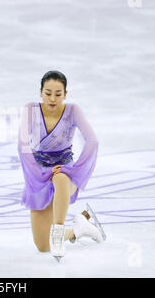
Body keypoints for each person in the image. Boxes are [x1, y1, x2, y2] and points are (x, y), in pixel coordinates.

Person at [17, 70, 104, 261]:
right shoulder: (31, 110)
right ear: (40, 92)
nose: (52, 98)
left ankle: (58, 232)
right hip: (38, 171)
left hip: (64, 168)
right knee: (42, 246)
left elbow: (92, 141)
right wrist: (36, 175)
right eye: (48, 93)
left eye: (58, 94)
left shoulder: (73, 111)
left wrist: (73, 170)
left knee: (61, 178)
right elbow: (23, 146)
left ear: (65, 94)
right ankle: (78, 228)